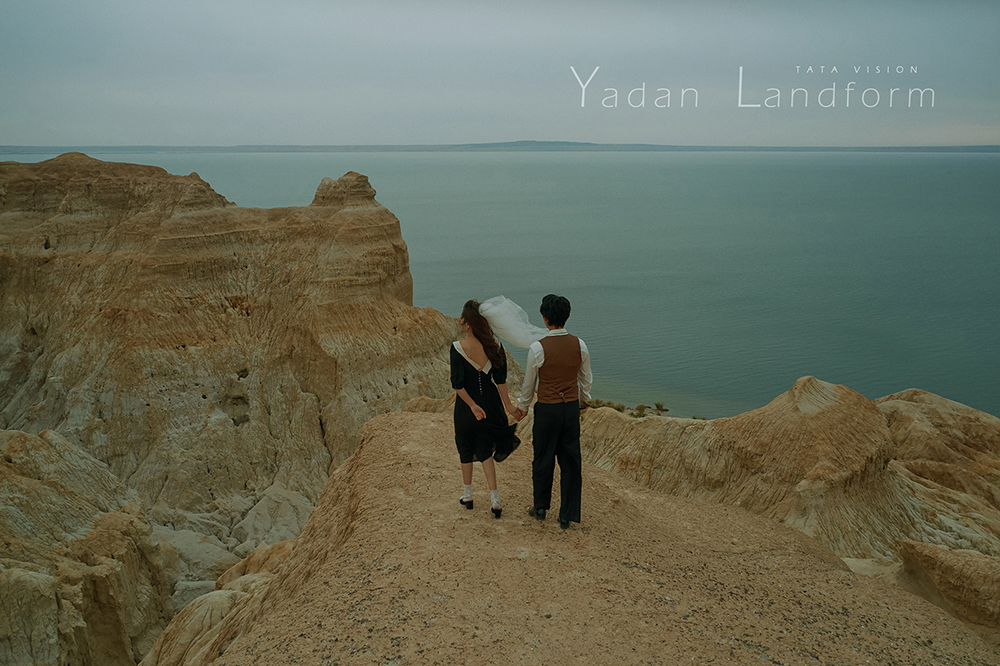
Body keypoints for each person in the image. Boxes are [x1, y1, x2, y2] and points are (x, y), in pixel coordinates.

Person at [511, 294, 592, 530]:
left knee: (543, 459)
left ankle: (540, 507)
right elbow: (585, 379)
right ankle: (567, 514)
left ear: (545, 319)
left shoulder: (538, 348)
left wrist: (522, 408)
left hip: (547, 410)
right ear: (566, 317)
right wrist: (584, 401)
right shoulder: (580, 345)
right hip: (570, 410)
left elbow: (529, 385)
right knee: (571, 461)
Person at [451, 299, 520, 519]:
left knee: (465, 448)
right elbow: (500, 380)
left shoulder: (457, 348)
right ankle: (495, 500)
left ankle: (468, 495)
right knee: (485, 451)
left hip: (466, 407)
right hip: (491, 404)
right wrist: (508, 406)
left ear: (468, 324)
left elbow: (458, 385)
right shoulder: (495, 346)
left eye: (463, 319)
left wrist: (472, 405)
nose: (460, 322)